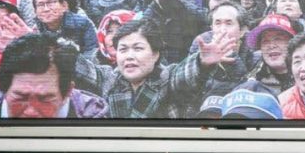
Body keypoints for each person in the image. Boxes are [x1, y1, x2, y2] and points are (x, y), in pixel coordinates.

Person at [74, 18, 237, 118]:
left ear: (155, 54)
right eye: (123, 49)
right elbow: (82, 67)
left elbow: (183, 74)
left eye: (138, 48)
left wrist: (201, 62)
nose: (129, 56)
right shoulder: (108, 78)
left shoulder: (168, 77)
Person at [0, 33, 108, 118]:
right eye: (21, 97)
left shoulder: (93, 116)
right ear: (3, 89)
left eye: (45, 99)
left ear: (68, 91)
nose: (31, 112)